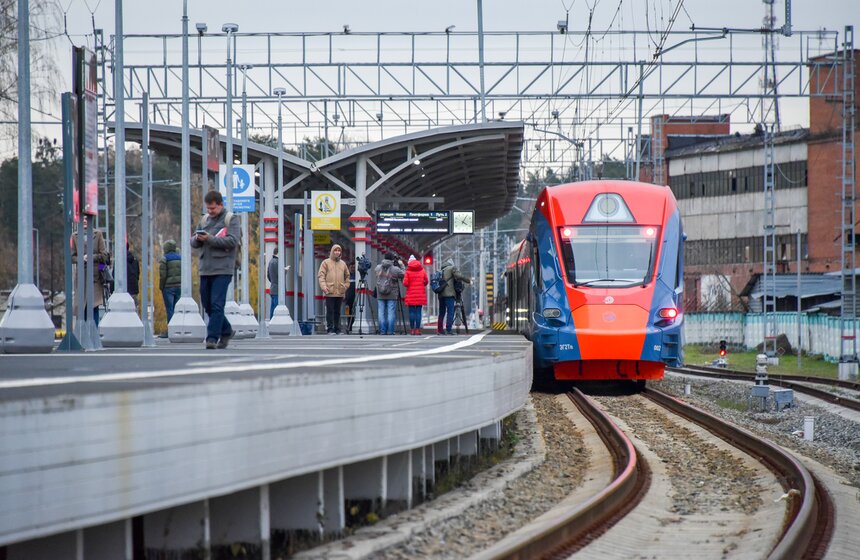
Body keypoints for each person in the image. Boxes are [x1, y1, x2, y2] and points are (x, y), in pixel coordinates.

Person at [191, 190, 242, 349]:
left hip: (223, 268)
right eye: (208, 208)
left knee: (217, 304)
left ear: (220, 205)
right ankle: (226, 330)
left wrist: (210, 239)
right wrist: (197, 239)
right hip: (205, 268)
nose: (210, 211)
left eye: (213, 208)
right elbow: (193, 242)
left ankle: (212, 338)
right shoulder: (204, 220)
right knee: (207, 304)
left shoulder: (231, 219)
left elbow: (232, 241)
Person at [70, 217, 110, 325]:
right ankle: (82, 332)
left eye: (86, 218)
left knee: (93, 306)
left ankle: (94, 332)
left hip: (95, 277)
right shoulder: (74, 236)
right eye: (82, 218)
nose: (84, 220)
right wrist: (81, 258)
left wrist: (92, 257)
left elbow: (104, 255)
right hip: (81, 277)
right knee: (82, 307)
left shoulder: (98, 234)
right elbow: (71, 257)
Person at [318, 244, 350, 334]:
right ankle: (330, 328)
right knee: (330, 311)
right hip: (329, 291)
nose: (337, 252)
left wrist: (345, 286)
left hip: (340, 292)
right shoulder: (325, 263)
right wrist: (324, 287)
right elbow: (321, 276)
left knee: (338, 311)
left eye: (339, 250)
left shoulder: (343, 264)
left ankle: (337, 328)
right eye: (335, 250)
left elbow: (347, 276)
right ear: (332, 251)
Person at [437, 259, 471, 335]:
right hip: (449, 294)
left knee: (441, 312)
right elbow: (459, 276)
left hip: (441, 294)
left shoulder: (441, 270)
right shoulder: (452, 268)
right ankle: (448, 329)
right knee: (450, 311)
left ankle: (440, 330)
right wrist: (468, 280)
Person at [375, 252, 404, 335]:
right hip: (392, 293)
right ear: (392, 259)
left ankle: (382, 331)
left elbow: (376, 276)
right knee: (391, 312)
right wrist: (401, 265)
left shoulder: (378, 268)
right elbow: (403, 274)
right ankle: (390, 331)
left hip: (380, 293)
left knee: (381, 312)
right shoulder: (395, 269)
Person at [159, 239, 181, 332]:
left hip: (168, 287)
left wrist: (161, 286)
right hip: (179, 286)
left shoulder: (164, 259)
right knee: (177, 310)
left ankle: (171, 330)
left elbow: (163, 275)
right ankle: (178, 329)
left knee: (170, 310)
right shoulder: (180, 258)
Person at [402, 255, 428, 335]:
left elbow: (405, 283)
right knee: (418, 312)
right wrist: (422, 284)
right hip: (420, 294)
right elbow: (426, 281)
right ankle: (417, 330)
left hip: (411, 294)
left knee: (412, 312)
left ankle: (412, 329)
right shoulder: (422, 270)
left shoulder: (408, 271)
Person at [267, 246, 280, 319]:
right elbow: (280, 275)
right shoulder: (277, 262)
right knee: (276, 310)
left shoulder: (270, 262)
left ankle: (271, 324)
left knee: (272, 310)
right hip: (277, 290)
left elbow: (268, 275)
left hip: (273, 289)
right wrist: (285, 271)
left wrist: (273, 281)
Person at [126, 242, 140, 307]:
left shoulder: (119, 261)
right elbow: (138, 274)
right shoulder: (135, 260)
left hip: (123, 291)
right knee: (133, 310)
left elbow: (113, 276)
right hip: (134, 289)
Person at [344, 262, 357, 333]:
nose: (352, 269)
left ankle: (353, 325)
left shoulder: (357, 276)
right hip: (348, 298)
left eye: (354, 267)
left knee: (355, 312)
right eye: (351, 267)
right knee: (347, 313)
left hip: (355, 297)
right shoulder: (346, 276)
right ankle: (349, 325)